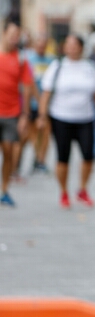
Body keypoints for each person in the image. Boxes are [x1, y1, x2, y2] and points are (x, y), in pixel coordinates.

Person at [38, 33, 95, 208]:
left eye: (75, 44)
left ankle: (83, 189)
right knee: (63, 157)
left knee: (88, 155)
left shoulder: (90, 67)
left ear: (81, 47)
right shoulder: (57, 66)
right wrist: (42, 116)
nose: (71, 48)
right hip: (61, 117)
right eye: (68, 44)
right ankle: (64, 191)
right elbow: (46, 93)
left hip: (85, 117)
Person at [0, 22, 33, 206]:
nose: (14, 38)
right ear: (4, 33)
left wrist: (25, 115)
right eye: (11, 34)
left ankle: (4, 189)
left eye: (17, 35)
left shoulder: (21, 59)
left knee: (8, 152)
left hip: (12, 113)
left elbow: (27, 87)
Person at [20, 33, 54, 174]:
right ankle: (19, 163)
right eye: (39, 44)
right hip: (32, 104)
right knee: (29, 135)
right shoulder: (27, 59)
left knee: (45, 133)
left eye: (44, 44)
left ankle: (40, 160)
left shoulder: (51, 61)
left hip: (47, 105)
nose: (41, 47)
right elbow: (27, 83)